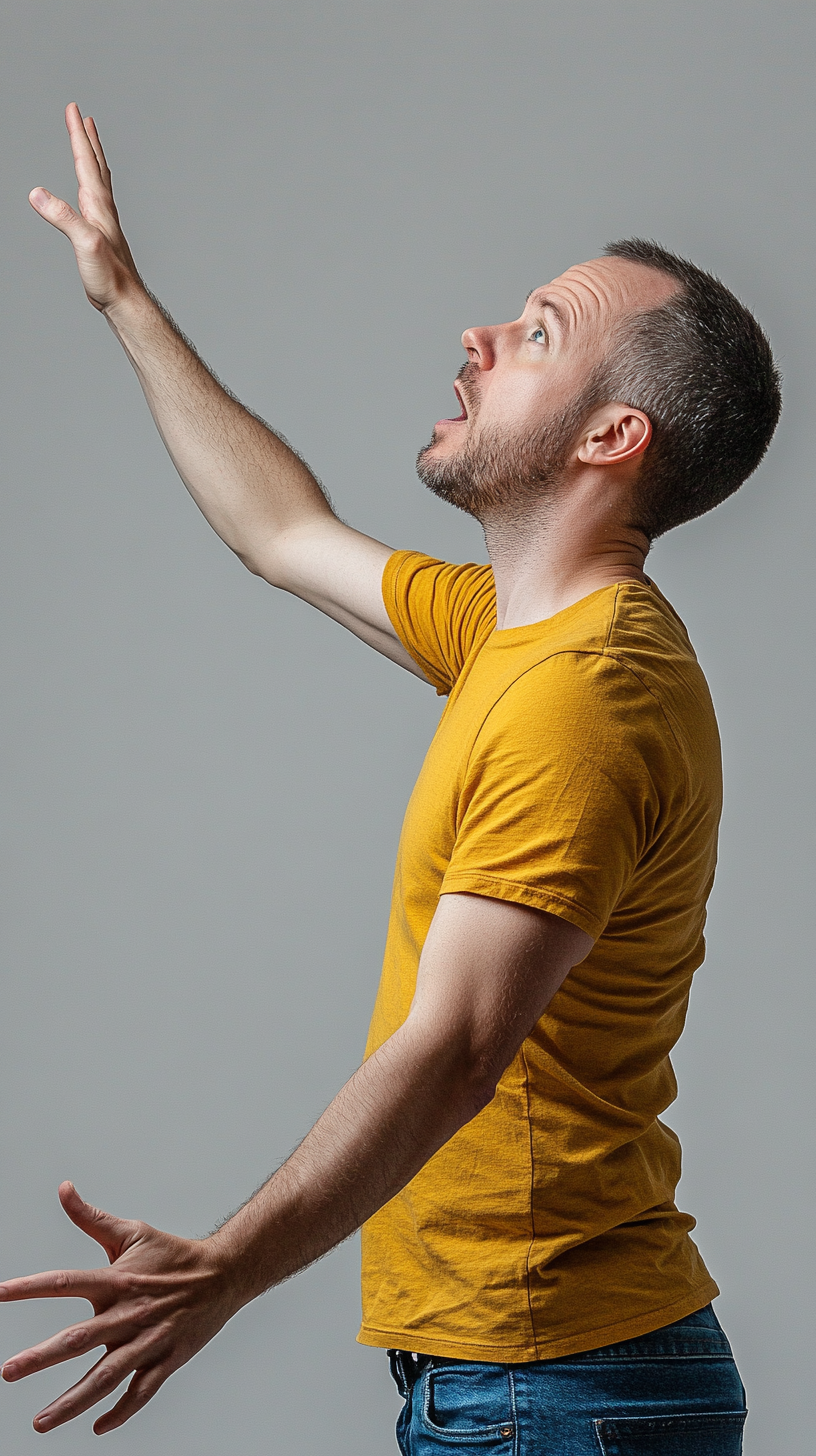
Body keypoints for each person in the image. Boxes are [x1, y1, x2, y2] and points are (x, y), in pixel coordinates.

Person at [1, 104, 780, 1454]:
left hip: (558, 1383)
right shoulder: (512, 633)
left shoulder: (582, 697)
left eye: (538, 335)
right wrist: (124, 298)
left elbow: (459, 1047)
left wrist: (225, 1270)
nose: (478, 341)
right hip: (535, 1377)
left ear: (611, 439)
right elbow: (282, 532)